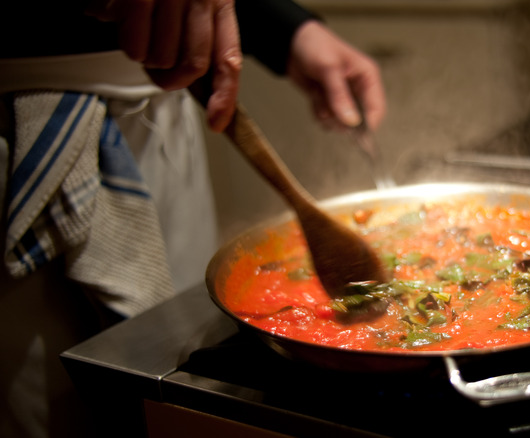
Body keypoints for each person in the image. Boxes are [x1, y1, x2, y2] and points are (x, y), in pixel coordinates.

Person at [0, 0, 386, 437]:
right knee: (53, 408)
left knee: (178, 348)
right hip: (20, 132)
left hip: (165, 103)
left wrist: (285, 30)